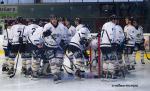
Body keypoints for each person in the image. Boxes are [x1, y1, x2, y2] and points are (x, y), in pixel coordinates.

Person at [42, 15, 67, 82]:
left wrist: (63, 41)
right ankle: (55, 75)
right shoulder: (47, 26)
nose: (54, 20)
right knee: (52, 61)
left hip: (58, 45)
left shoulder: (61, 26)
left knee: (59, 61)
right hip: (49, 45)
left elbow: (64, 35)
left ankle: (58, 73)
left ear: (57, 19)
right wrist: (46, 33)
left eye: (55, 19)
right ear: (50, 20)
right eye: (52, 19)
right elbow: (43, 35)